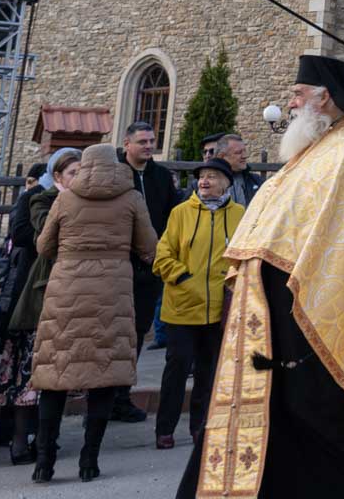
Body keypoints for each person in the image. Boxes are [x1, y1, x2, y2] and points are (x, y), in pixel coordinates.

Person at [192, 55, 344, 498]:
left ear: (324, 97)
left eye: (297, 95)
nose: (289, 104)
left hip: (308, 300)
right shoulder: (311, 151)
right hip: (269, 299)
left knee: (313, 409)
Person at [32, 142, 159, 483]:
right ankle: (89, 461)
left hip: (66, 290)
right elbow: (149, 248)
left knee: (54, 377)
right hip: (112, 290)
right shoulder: (131, 198)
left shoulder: (66, 197)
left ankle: (44, 461)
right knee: (104, 375)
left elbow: (44, 246)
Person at [0, 149, 79, 465]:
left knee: (52, 375)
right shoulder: (39, 199)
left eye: (83, 172)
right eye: (72, 173)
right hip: (36, 295)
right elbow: (41, 237)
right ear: (57, 176)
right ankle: (18, 442)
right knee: (28, 373)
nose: (79, 178)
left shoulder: (83, 201)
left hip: (66, 297)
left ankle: (42, 440)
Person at [152, 157, 246, 450]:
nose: (204, 181)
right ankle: (164, 429)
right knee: (176, 370)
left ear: (227, 182)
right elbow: (162, 256)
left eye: (213, 176)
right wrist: (183, 277)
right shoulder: (181, 212)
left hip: (220, 308)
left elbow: (246, 255)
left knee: (208, 372)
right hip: (182, 307)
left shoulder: (240, 214)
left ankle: (200, 427)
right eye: (202, 176)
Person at [117, 120, 174, 423]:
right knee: (112, 333)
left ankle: (122, 395)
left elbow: (168, 216)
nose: (149, 146)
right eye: (143, 141)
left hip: (148, 267)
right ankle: (103, 396)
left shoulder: (161, 177)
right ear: (126, 144)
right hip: (118, 265)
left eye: (152, 141)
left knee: (137, 331)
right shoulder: (114, 174)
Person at [0, 160, 48, 455]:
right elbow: (20, 236)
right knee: (19, 367)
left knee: (28, 368)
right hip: (23, 290)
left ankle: (24, 433)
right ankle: (11, 433)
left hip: (33, 292)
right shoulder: (31, 199)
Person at [218, 134, 263, 205]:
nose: (245, 156)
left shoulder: (257, 180)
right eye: (238, 152)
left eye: (244, 151)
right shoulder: (207, 183)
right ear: (222, 156)